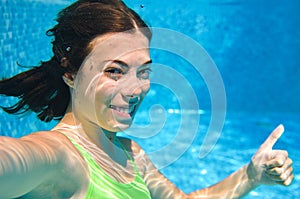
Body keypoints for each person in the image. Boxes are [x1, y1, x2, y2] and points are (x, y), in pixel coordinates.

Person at [0, 0, 294, 198]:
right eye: (115, 71)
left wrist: (250, 175)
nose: (134, 89)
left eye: (143, 72)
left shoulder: (131, 154)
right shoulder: (59, 156)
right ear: (70, 75)